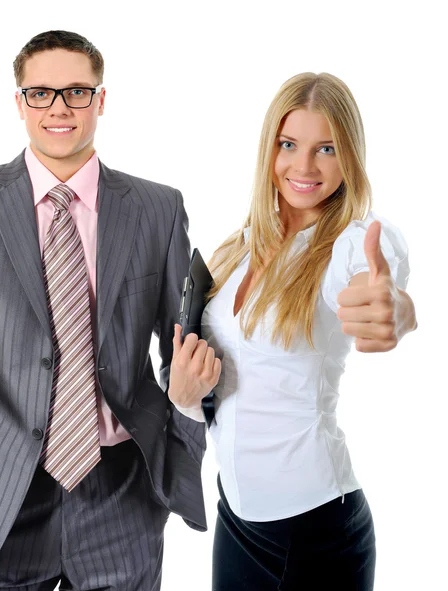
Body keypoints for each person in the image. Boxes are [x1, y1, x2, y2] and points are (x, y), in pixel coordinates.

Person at [0, 30, 207, 590]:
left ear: (101, 100)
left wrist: (175, 462)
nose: (58, 108)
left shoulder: (159, 208)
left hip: (122, 493)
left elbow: (185, 351)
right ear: (19, 103)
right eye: (40, 93)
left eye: (76, 92)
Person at [168, 72, 417, 590]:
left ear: (349, 157)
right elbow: (233, 387)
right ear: (270, 149)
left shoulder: (346, 245)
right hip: (237, 519)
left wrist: (390, 307)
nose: (304, 167)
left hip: (315, 532)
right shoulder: (241, 247)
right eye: (289, 145)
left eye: (325, 148)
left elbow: (377, 273)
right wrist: (186, 396)